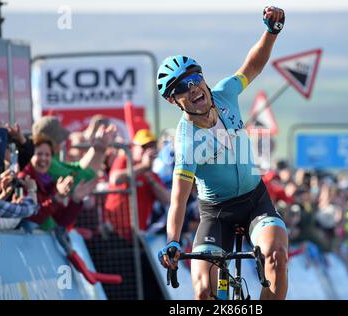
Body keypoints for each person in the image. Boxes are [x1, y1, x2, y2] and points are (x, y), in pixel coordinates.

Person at [157, 6, 288, 300]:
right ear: (173, 101)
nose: (192, 89)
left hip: (256, 201)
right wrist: (173, 241)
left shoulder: (225, 93)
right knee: (203, 292)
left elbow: (251, 66)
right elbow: (178, 200)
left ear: (202, 79)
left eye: (194, 79)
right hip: (216, 213)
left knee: (276, 256)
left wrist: (271, 32)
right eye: (181, 88)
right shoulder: (186, 140)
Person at [105, 129, 170, 239]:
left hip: (135, 235)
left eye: (152, 146)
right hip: (114, 232)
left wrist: (151, 180)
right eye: (144, 147)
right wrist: (143, 166)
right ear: (134, 148)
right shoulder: (124, 161)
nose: (148, 151)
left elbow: (167, 200)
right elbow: (115, 179)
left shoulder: (152, 175)